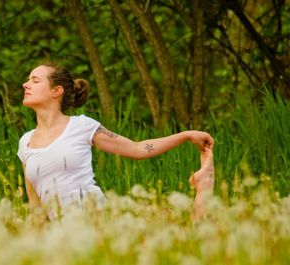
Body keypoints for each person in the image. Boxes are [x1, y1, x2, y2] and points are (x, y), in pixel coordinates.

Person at [17, 62, 215, 220]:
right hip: (65, 237)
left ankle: (204, 187)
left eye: (35, 81)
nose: (26, 85)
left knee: (186, 235)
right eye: (28, 80)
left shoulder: (82, 126)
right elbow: (36, 209)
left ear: (56, 91)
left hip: (99, 220)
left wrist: (186, 135)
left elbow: (137, 149)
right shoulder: (25, 142)